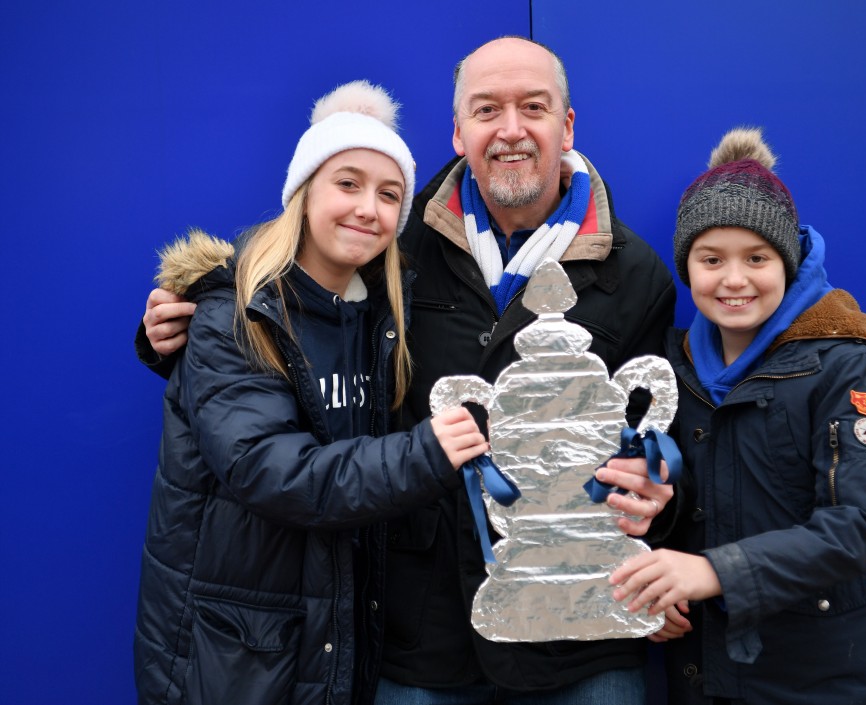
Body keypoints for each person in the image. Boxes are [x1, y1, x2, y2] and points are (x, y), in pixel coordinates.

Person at [139, 36, 682, 704]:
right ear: (459, 131)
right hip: (421, 629)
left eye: (533, 107)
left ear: (566, 125)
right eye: (487, 110)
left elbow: (664, 435)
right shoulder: (397, 243)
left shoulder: (637, 274)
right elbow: (288, 313)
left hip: (579, 636)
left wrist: (660, 502)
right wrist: (184, 326)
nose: (510, 129)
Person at [133, 80, 490, 705]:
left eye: (389, 196)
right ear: (304, 193)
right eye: (347, 184)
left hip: (327, 639)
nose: (367, 209)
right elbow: (267, 469)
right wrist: (426, 453)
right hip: (234, 655)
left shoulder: (376, 319)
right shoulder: (237, 310)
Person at [609, 128, 866, 704]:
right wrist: (659, 580)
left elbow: (860, 529)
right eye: (711, 259)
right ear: (686, 266)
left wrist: (711, 573)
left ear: (788, 262)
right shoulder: (673, 368)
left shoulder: (845, 367)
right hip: (708, 670)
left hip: (826, 677)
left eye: (757, 258)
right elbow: (689, 506)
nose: (734, 279)